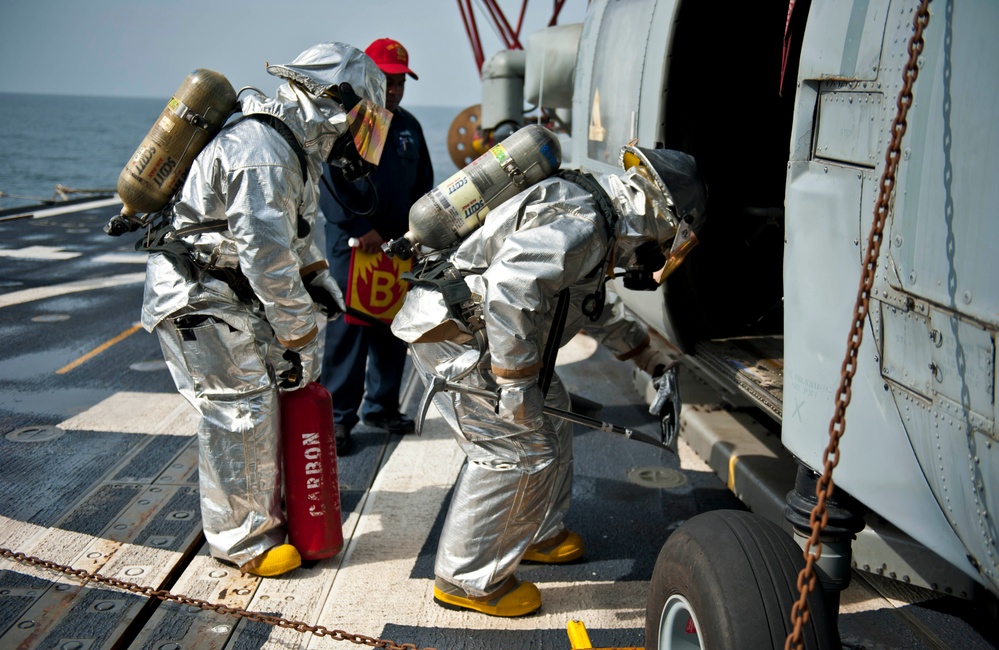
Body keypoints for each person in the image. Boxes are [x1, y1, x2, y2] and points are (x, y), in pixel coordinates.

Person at [392, 145, 706, 616]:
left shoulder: (595, 210)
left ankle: (537, 531)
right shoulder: (587, 221)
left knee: (553, 419)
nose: (656, 255)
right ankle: (466, 579)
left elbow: (583, 301)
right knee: (516, 451)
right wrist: (516, 384)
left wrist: (646, 353)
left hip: (481, 334)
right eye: (668, 241)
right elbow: (511, 287)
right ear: (664, 218)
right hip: (458, 338)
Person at [140, 43, 390, 578]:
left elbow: (294, 239)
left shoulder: (289, 148)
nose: (363, 136)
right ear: (335, 104)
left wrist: (320, 284)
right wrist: (300, 335)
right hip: (198, 295)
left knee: (263, 398)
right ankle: (243, 541)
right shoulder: (265, 151)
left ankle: (265, 517)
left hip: (224, 292)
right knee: (241, 405)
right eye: (364, 118)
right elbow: (266, 257)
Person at [319, 38, 434, 454]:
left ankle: (381, 405)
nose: (394, 88)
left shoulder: (408, 128)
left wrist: (420, 234)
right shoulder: (350, 124)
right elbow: (330, 185)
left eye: (400, 80)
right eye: (386, 79)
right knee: (350, 331)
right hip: (355, 248)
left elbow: (423, 188)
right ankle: (337, 418)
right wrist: (359, 226)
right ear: (367, 77)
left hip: (397, 249)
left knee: (392, 325)